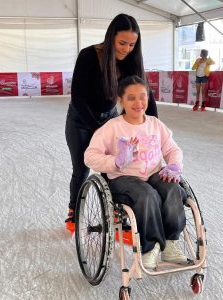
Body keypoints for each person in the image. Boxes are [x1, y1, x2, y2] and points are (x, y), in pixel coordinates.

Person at [65, 14, 158, 232]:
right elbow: (77, 97)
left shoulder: (132, 62)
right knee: (81, 168)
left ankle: (119, 212)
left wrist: (153, 127)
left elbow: (147, 97)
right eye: (122, 43)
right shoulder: (89, 56)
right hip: (80, 120)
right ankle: (73, 210)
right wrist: (97, 129)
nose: (126, 49)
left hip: (109, 119)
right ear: (111, 38)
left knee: (117, 167)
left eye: (132, 44)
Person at [84, 75, 187, 270]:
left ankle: (171, 242)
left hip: (154, 174)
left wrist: (173, 165)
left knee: (173, 189)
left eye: (143, 96)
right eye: (131, 98)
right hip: (123, 178)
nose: (138, 102)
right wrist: (116, 161)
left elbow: (173, 149)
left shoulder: (155, 124)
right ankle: (149, 248)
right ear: (120, 100)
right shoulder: (112, 127)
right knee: (147, 195)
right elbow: (90, 156)